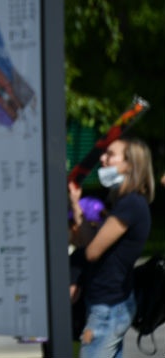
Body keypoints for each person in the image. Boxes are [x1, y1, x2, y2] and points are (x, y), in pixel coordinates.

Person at [68, 136, 155, 358]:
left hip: (108, 306)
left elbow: (92, 251)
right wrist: (76, 205)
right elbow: (88, 241)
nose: (103, 159)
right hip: (107, 303)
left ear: (130, 164)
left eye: (110, 154)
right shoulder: (123, 202)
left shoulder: (131, 204)